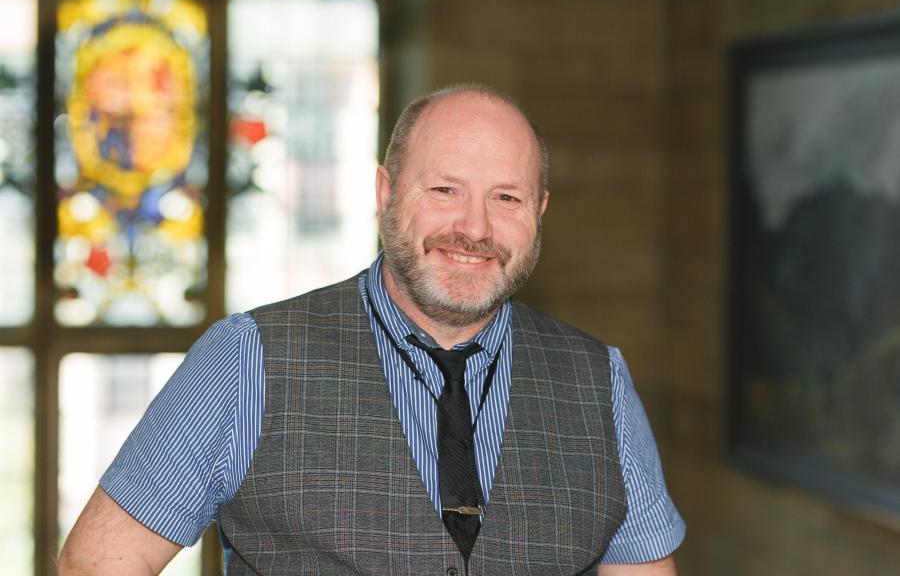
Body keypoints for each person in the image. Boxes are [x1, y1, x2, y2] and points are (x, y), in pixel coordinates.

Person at [59, 84, 685, 575]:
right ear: (386, 193)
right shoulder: (247, 361)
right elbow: (95, 564)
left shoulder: (599, 378)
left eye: (507, 199)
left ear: (540, 210)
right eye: (444, 189)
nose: (475, 227)